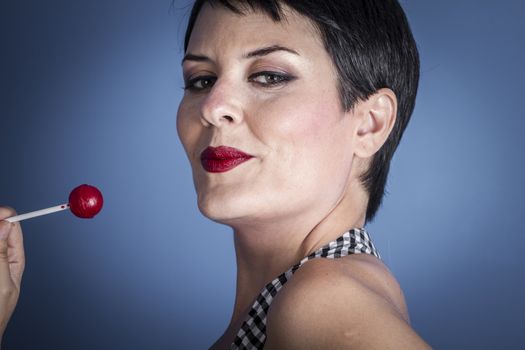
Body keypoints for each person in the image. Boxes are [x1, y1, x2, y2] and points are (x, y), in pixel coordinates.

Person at [0, 0, 431, 348]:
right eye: (202, 80)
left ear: (369, 123)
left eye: (268, 76)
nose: (211, 106)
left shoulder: (325, 301)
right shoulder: (295, 303)